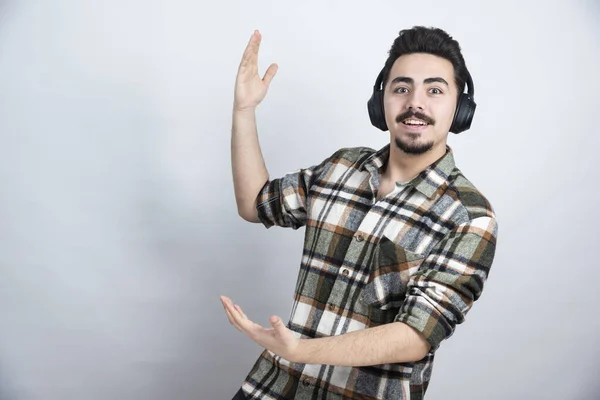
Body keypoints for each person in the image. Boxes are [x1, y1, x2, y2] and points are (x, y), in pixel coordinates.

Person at [221, 26, 499, 400]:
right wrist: (244, 110)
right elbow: (254, 203)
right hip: (272, 389)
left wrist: (299, 351)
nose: (415, 103)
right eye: (401, 88)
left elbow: (413, 336)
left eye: (434, 90)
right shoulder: (341, 168)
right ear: (380, 101)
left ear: (460, 109)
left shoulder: (470, 218)